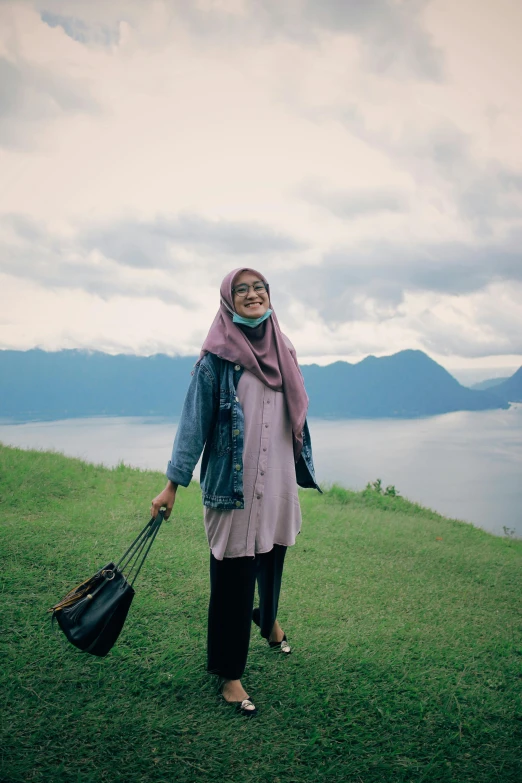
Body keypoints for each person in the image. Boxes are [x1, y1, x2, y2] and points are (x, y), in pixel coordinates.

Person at [151, 267, 320, 716]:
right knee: (233, 577)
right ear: (228, 300)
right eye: (241, 289)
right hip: (233, 486)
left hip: (278, 479)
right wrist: (172, 484)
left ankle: (267, 622)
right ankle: (229, 675)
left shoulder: (284, 350)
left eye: (259, 288)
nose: (252, 295)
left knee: (272, 556)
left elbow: (297, 416)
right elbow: (193, 426)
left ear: (270, 296)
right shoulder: (216, 359)